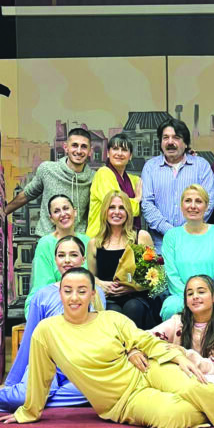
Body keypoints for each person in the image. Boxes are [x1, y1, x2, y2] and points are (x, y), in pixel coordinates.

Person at [0, 268, 214, 428]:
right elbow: (40, 376)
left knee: (193, 386)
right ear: (60, 293)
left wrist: (176, 356)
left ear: (93, 294)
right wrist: (29, 411)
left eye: (82, 291)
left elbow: (145, 340)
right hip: (123, 401)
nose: (74, 297)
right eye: (68, 290)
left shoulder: (111, 318)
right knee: (170, 416)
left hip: (148, 370)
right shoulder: (47, 331)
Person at [0, 235, 104, 412]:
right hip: (46, 363)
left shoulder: (96, 293)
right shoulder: (42, 295)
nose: (67, 260)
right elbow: (30, 339)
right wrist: (12, 381)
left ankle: (40, 399)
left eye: (73, 255)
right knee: (22, 396)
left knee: (98, 391)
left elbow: (100, 332)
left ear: (83, 259)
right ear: (55, 260)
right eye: (61, 255)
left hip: (81, 365)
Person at [160, 184, 214, 321]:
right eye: (188, 201)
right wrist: (191, 296)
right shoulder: (171, 236)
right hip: (182, 296)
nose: (193, 206)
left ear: (206, 206)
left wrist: (207, 296)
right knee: (171, 306)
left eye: (198, 201)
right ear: (181, 206)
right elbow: (172, 276)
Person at [141, 118, 214, 251]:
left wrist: (187, 231)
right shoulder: (150, 167)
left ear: (186, 143)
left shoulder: (201, 166)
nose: (170, 142)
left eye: (176, 137)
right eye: (165, 138)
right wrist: (171, 232)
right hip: (160, 247)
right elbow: (147, 204)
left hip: (194, 243)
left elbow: (208, 202)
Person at [87, 190, 158, 328]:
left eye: (121, 208)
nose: (116, 212)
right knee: (113, 312)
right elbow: (90, 277)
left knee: (133, 307)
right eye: (112, 207)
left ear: (128, 212)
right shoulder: (94, 243)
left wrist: (132, 287)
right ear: (105, 211)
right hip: (109, 299)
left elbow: (155, 276)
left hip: (137, 298)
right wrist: (101, 283)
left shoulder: (141, 237)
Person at [149, 275, 214, 389]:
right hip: (179, 372)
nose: (195, 297)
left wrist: (185, 354)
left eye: (201, 292)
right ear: (186, 301)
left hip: (209, 376)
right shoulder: (178, 321)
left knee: (212, 384)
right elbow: (147, 337)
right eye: (190, 294)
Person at [5, 127, 94, 236]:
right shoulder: (47, 170)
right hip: (46, 237)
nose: (79, 151)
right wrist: (3, 212)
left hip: (76, 241)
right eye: (74, 145)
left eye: (84, 146)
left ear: (90, 151)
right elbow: (27, 194)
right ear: (66, 147)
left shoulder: (94, 178)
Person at [25, 193, 89, 316]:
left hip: (83, 297)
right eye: (56, 211)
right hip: (52, 298)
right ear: (51, 218)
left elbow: (93, 278)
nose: (63, 214)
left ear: (75, 212)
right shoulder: (45, 244)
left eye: (66, 208)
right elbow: (43, 286)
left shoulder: (87, 241)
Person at [86, 133, 142, 237]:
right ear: (108, 153)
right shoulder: (103, 173)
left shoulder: (133, 180)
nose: (119, 153)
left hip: (123, 238)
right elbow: (117, 205)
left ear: (130, 156)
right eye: (115, 149)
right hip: (99, 237)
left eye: (124, 150)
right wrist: (137, 200)